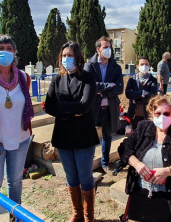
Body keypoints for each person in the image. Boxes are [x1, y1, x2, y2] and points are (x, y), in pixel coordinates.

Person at [119, 95, 171, 222]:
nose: (161, 117)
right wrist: (137, 164)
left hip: (169, 195)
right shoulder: (143, 127)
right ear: (152, 114)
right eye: (157, 113)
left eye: (166, 113)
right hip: (141, 191)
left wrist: (169, 171)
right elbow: (125, 147)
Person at [45, 41, 99, 222]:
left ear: (78, 57)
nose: (67, 59)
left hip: (83, 135)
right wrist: (71, 109)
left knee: (85, 176)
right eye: (64, 55)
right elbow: (49, 106)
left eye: (71, 55)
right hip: (63, 136)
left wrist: (63, 107)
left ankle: (88, 215)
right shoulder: (56, 79)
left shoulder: (88, 78)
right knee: (71, 177)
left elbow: (84, 106)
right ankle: (77, 213)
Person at [0, 35, 34, 222]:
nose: (5, 51)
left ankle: (16, 217)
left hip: (20, 140)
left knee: (15, 182)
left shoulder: (24, 77)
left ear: (14, 53)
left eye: (9, 48)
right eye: (1, 48)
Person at [84, 36, 123, 172]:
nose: (108, 49)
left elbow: (119, 88)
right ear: (98, 49)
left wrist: (102, 91)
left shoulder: (116, 67)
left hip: (109, 108)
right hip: (93, 107)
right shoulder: (89, 65)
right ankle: (87, 164)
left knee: (107, 136)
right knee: (89, 136)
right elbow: (90, 86)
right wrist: (108, 86)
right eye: (105, 47)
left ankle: (105, 163)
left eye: (109, 47)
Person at [125, 56, 158, 130]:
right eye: (142, 64)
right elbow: (128, 94)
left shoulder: (153, 80)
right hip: (133, 113)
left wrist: (135, 99)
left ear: (149, 66)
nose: (144, 66)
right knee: (135, 135)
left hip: (147, 113)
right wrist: (142, 93)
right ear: (137, 66)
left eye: (146, 64)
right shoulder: (132, 80)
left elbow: (152, 96)